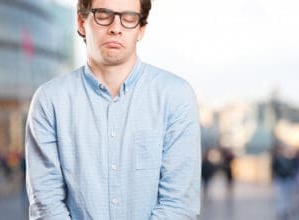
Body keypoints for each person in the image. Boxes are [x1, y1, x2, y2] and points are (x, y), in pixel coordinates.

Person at [25, 0, 201, 219]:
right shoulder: (49, 101)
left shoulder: (176, 96)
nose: (116, 27)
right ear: (81, 22)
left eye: (128, 18)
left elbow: (179, 205)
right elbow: (47, 205)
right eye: (103, 15)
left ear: (141, 29)